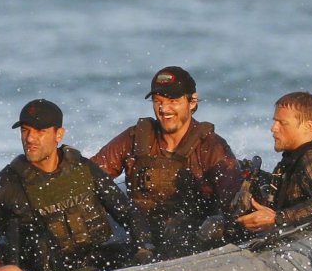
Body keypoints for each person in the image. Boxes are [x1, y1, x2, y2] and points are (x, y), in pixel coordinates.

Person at [0, 99, 154, 271]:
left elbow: (128, 213)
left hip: (95, 267)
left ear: (59, 135)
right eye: (25, 130)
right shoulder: (8, 183)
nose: (30, 139)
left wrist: (143, 249)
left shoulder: (83, 169)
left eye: (40, 131)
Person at [91, 66, 242, 259]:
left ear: (192, 102)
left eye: (173, 101)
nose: (164, 109)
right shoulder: (136, 139)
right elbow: (88, 177)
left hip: (191, 249)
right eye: (158, 101)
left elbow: (234, 205)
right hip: (140, 240)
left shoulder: (211, 147)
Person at [237, 92, 312, 232]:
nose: (273, 128)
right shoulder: (295, 157)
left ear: (308, 126)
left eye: (282, 123)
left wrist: (278, 218)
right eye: (274, 121)